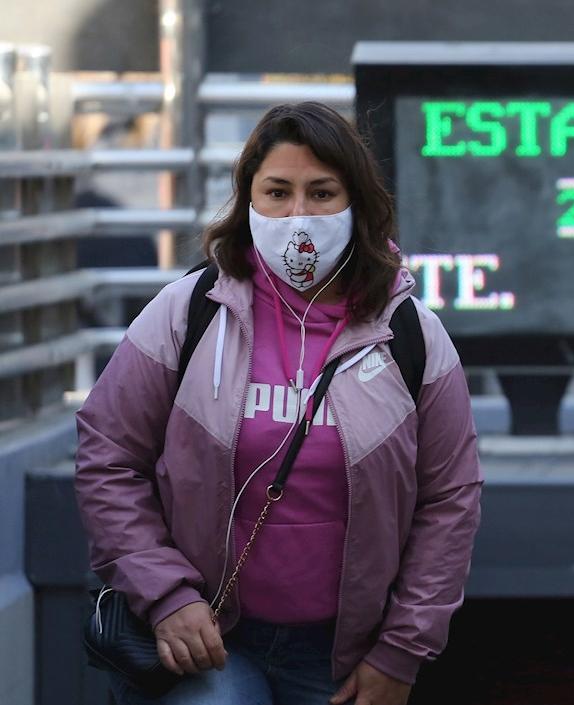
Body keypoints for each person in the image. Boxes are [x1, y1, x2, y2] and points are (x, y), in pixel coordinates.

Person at [74, 102, 483, 705]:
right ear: (247, 202)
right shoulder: (188, 312)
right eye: (277, 192)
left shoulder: (411, 334)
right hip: (208, 638)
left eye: (322, 193)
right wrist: (166, 596)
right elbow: (107, 456)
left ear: (356, 203)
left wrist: (402, 649)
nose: (298, 215)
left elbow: (450, 498)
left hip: (342, 656)